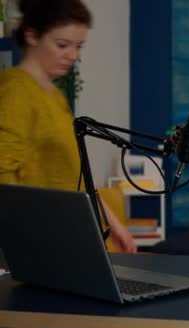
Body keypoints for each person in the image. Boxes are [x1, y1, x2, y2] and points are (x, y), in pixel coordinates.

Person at [0, 0, 137, 254]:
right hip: (43, 245)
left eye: (78, 46)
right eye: (62, 45)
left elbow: (77, 173)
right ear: (32, 36)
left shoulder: (54, 95)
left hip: (72, 239)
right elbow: (4, 180)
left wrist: (113, 223)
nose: (73, 55)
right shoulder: (15, 91)